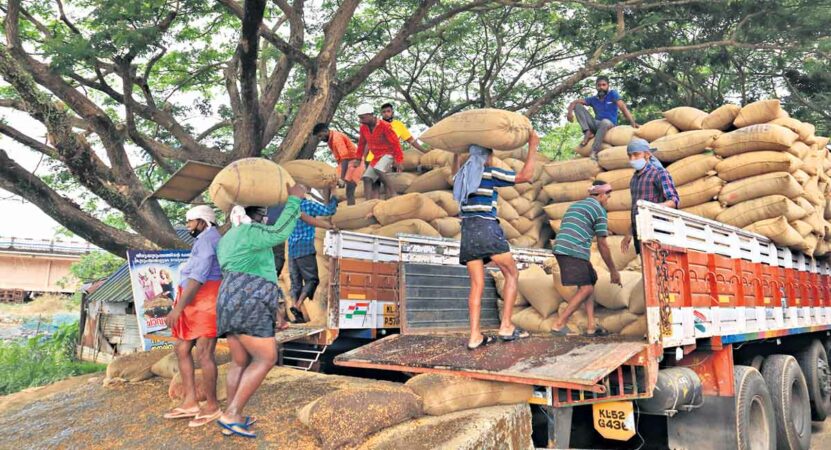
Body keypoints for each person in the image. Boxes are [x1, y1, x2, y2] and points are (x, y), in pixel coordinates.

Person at [214, 183, 306, 438]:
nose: (266, 217)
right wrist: (295, 201)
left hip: (229, 298)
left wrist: (276, 315)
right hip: (250, 298)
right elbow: (278, 233)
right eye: (263, 213)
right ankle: (231, 414)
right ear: (253, 214)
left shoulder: (227, 239)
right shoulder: (250, 232)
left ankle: (232, 414)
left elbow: (259, 270)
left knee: (240, 361)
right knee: (266, 358)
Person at [452, 131, 540, 350]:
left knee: (476, 285)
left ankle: (474, 336)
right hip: (486, 227)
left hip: (468, 232)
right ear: (487, 157)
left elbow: (453, 170)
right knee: (512, 273)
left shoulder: (461, 177)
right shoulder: (489, 173)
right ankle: (506, 326)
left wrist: (455, 153)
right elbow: (525, 176)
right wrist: (532, 146)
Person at [162, 205, 223, 427]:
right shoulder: (204, 239)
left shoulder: (209, 240)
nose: (188, 226)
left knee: (205, 353)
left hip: (205, 300)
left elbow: (198, 278)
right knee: (182, 348)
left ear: (203, 222)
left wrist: (177, 309)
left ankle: (213, 406)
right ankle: (190, 402)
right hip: (193, 300)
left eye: (190, 222)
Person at [549, 181, 621, 336]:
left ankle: (591, 326)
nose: (608, 199)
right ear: (601, 195)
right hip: (573, 250)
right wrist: (614, 271)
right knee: (586, 288)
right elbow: (602, 244)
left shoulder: (576, 205)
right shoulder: (600, 211)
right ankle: (558, 324)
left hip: (564, 247)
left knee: (590, 282)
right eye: (607, 196)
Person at [287, 184, 338, 323]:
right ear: (302, 193)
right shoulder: (308, 205)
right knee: (312, 279)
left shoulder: (288, 208)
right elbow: (329, 210)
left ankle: (294, 307)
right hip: (305, 247)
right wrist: (333, 193)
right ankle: (297, 306)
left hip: (291, 249)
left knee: (295, 282)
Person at [622, 138, 680, 255]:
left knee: (658, 268)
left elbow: (674, 200)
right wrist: (629, 233)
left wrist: (651, 208)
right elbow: (636, 210)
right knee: (646, 269)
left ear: (647, 154)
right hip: (640, 233)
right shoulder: (634, 179)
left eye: (636, 155)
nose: (632, 159)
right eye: (630, 156)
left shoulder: (658, 173)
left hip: (657, 232)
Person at [566, 76, 639, 160]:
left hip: (610, 124)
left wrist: (632, 122)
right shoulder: (593, 99)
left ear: (608, 86)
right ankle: (587, 131)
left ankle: (594, 151)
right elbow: (575, 102)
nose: (601, 87)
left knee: (605, 122)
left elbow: (623, 107)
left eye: (604, 85)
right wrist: (569, 113)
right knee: (578, 106)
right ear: (596, 87)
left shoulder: (612, 94)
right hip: (596, 124)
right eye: (599, 85)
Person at [356, 103, 404, 200]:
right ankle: (368, 202)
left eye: (362, 118)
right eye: (359, 118)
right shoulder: (363, 128)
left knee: (379, 169)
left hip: (389, 154)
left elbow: (395, 143)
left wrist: (398, 160)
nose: (360, 120)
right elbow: (361, 143)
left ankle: (393, 193)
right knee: (367, 178)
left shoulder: (384, 126)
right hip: (376, 157)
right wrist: (358, 158)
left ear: (370, 115)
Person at [313, 123, 362, 205]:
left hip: (353, 161)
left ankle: (329, 205)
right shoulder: (330, 140)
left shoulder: (336, 139)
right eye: (318, 137)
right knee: (327, 180)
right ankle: (328, 204)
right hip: (345, 163)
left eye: (320, 136)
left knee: (347, 188)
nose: (320, 138)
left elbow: (345, 158)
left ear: (325, 131)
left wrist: (342, 178)